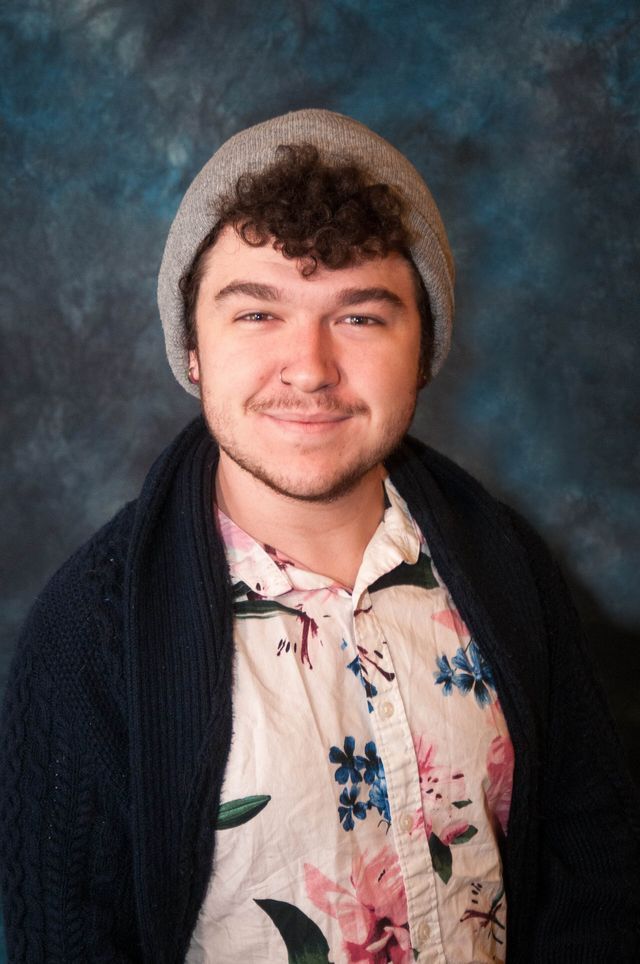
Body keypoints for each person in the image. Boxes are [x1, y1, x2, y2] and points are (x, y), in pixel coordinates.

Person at [1, 109, 638, 964]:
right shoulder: (90, 640)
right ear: (192, 346)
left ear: (425, 347)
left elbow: (593, 860)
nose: (309, 368)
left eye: (361, 317)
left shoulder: (505, 563)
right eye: (257, 314)